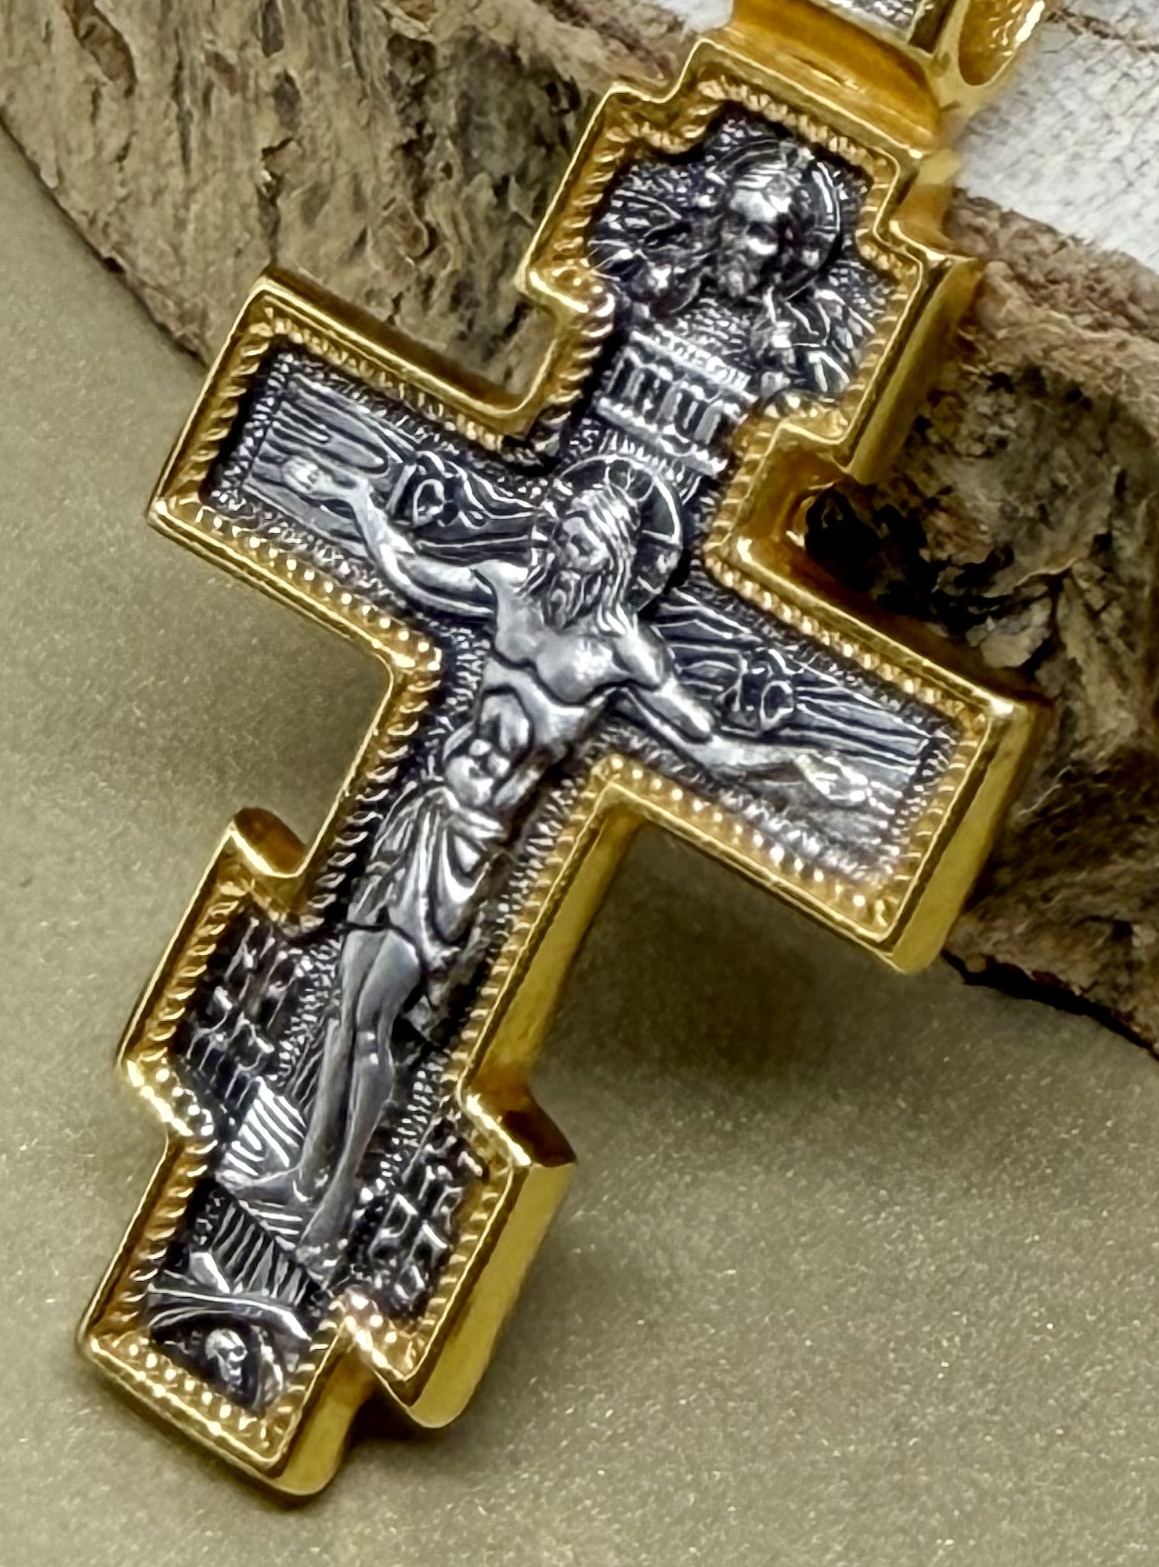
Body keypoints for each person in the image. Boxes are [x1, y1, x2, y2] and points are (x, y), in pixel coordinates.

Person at [263, 453, 868, 1265]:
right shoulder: (511, 588)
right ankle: (303, 1172)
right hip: (421, 813)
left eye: (583, 537)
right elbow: (407, 569)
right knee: (344, 1001)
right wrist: (355, 495)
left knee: (378, 1016)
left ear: (614, 553)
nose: (563, 541)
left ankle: (340, 1197)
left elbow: (711, 746)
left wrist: (800, 764)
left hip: (469, 845)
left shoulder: (623, 650)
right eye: (564, 526)